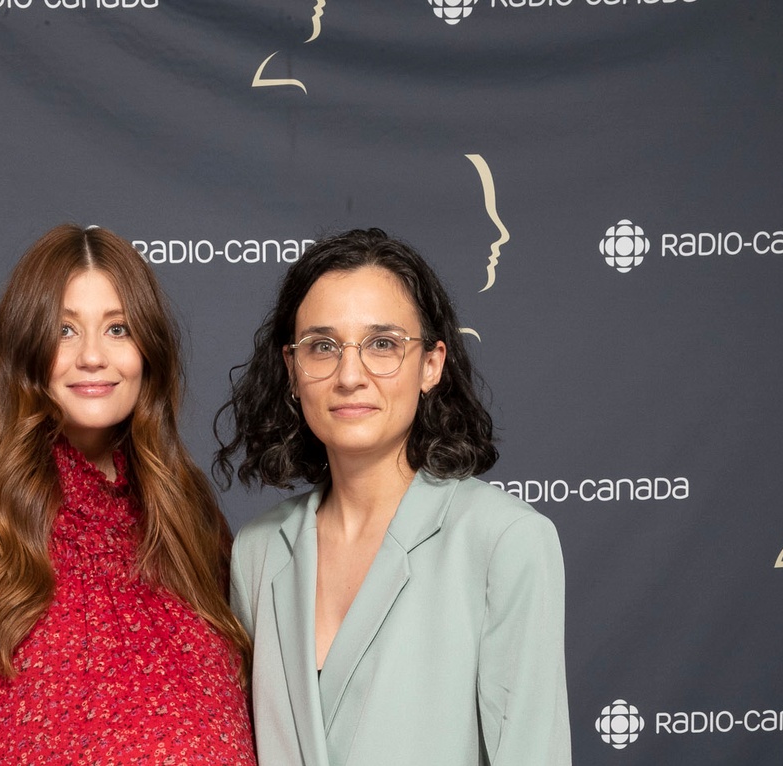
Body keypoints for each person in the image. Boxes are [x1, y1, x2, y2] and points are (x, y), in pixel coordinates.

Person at [0, 224, 255, 765]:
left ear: (149, 349)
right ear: (27, 348)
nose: (93, 356)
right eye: (65, 331)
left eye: (118, 329)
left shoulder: (184, 507)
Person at [215, 228, 571, 766]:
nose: (350, 376)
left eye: (383, 343)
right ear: (292, 370)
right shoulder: (257, 551)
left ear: (431, 364)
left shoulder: (507, 542)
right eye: (322, 346)